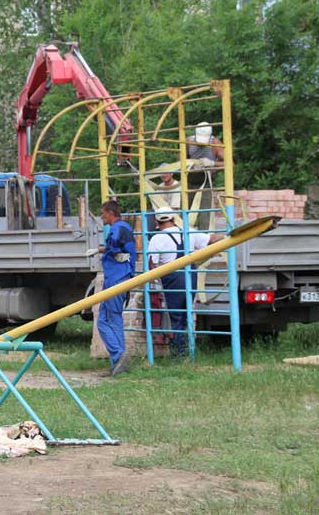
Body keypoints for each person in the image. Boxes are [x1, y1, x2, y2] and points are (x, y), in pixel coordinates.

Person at [147, 207, 211, 357]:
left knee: (176, 317)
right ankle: (190, 350)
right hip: (191, 277)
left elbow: (151, 264)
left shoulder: (157, 238)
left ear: (156, 222)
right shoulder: (188, 232)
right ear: (174, 219)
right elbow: (211, 240)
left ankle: (178, 354)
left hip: (173, 280)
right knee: (187, 313)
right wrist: (231, 235)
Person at [87, 200, 137, 376]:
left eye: (103, 213)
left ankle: (119, 355)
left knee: (107, 321)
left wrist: (113, 252)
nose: (102, 217)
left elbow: (115, 244)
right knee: (109, 320)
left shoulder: (116, 228)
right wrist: (101, 250)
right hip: (119, 278)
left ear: (110, 213)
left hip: (116, 279)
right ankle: (118, 362)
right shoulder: (126, 227)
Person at [186, 122, 225, 230]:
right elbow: (180, 161)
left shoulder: (215, 143)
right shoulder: (188, 142)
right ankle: (186, 240)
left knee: (205, 215)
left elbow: (230, 163)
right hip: (189, 182)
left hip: (206, 182)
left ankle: (204, 239)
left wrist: (212, 163)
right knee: (186, 213)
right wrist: (191, 165)